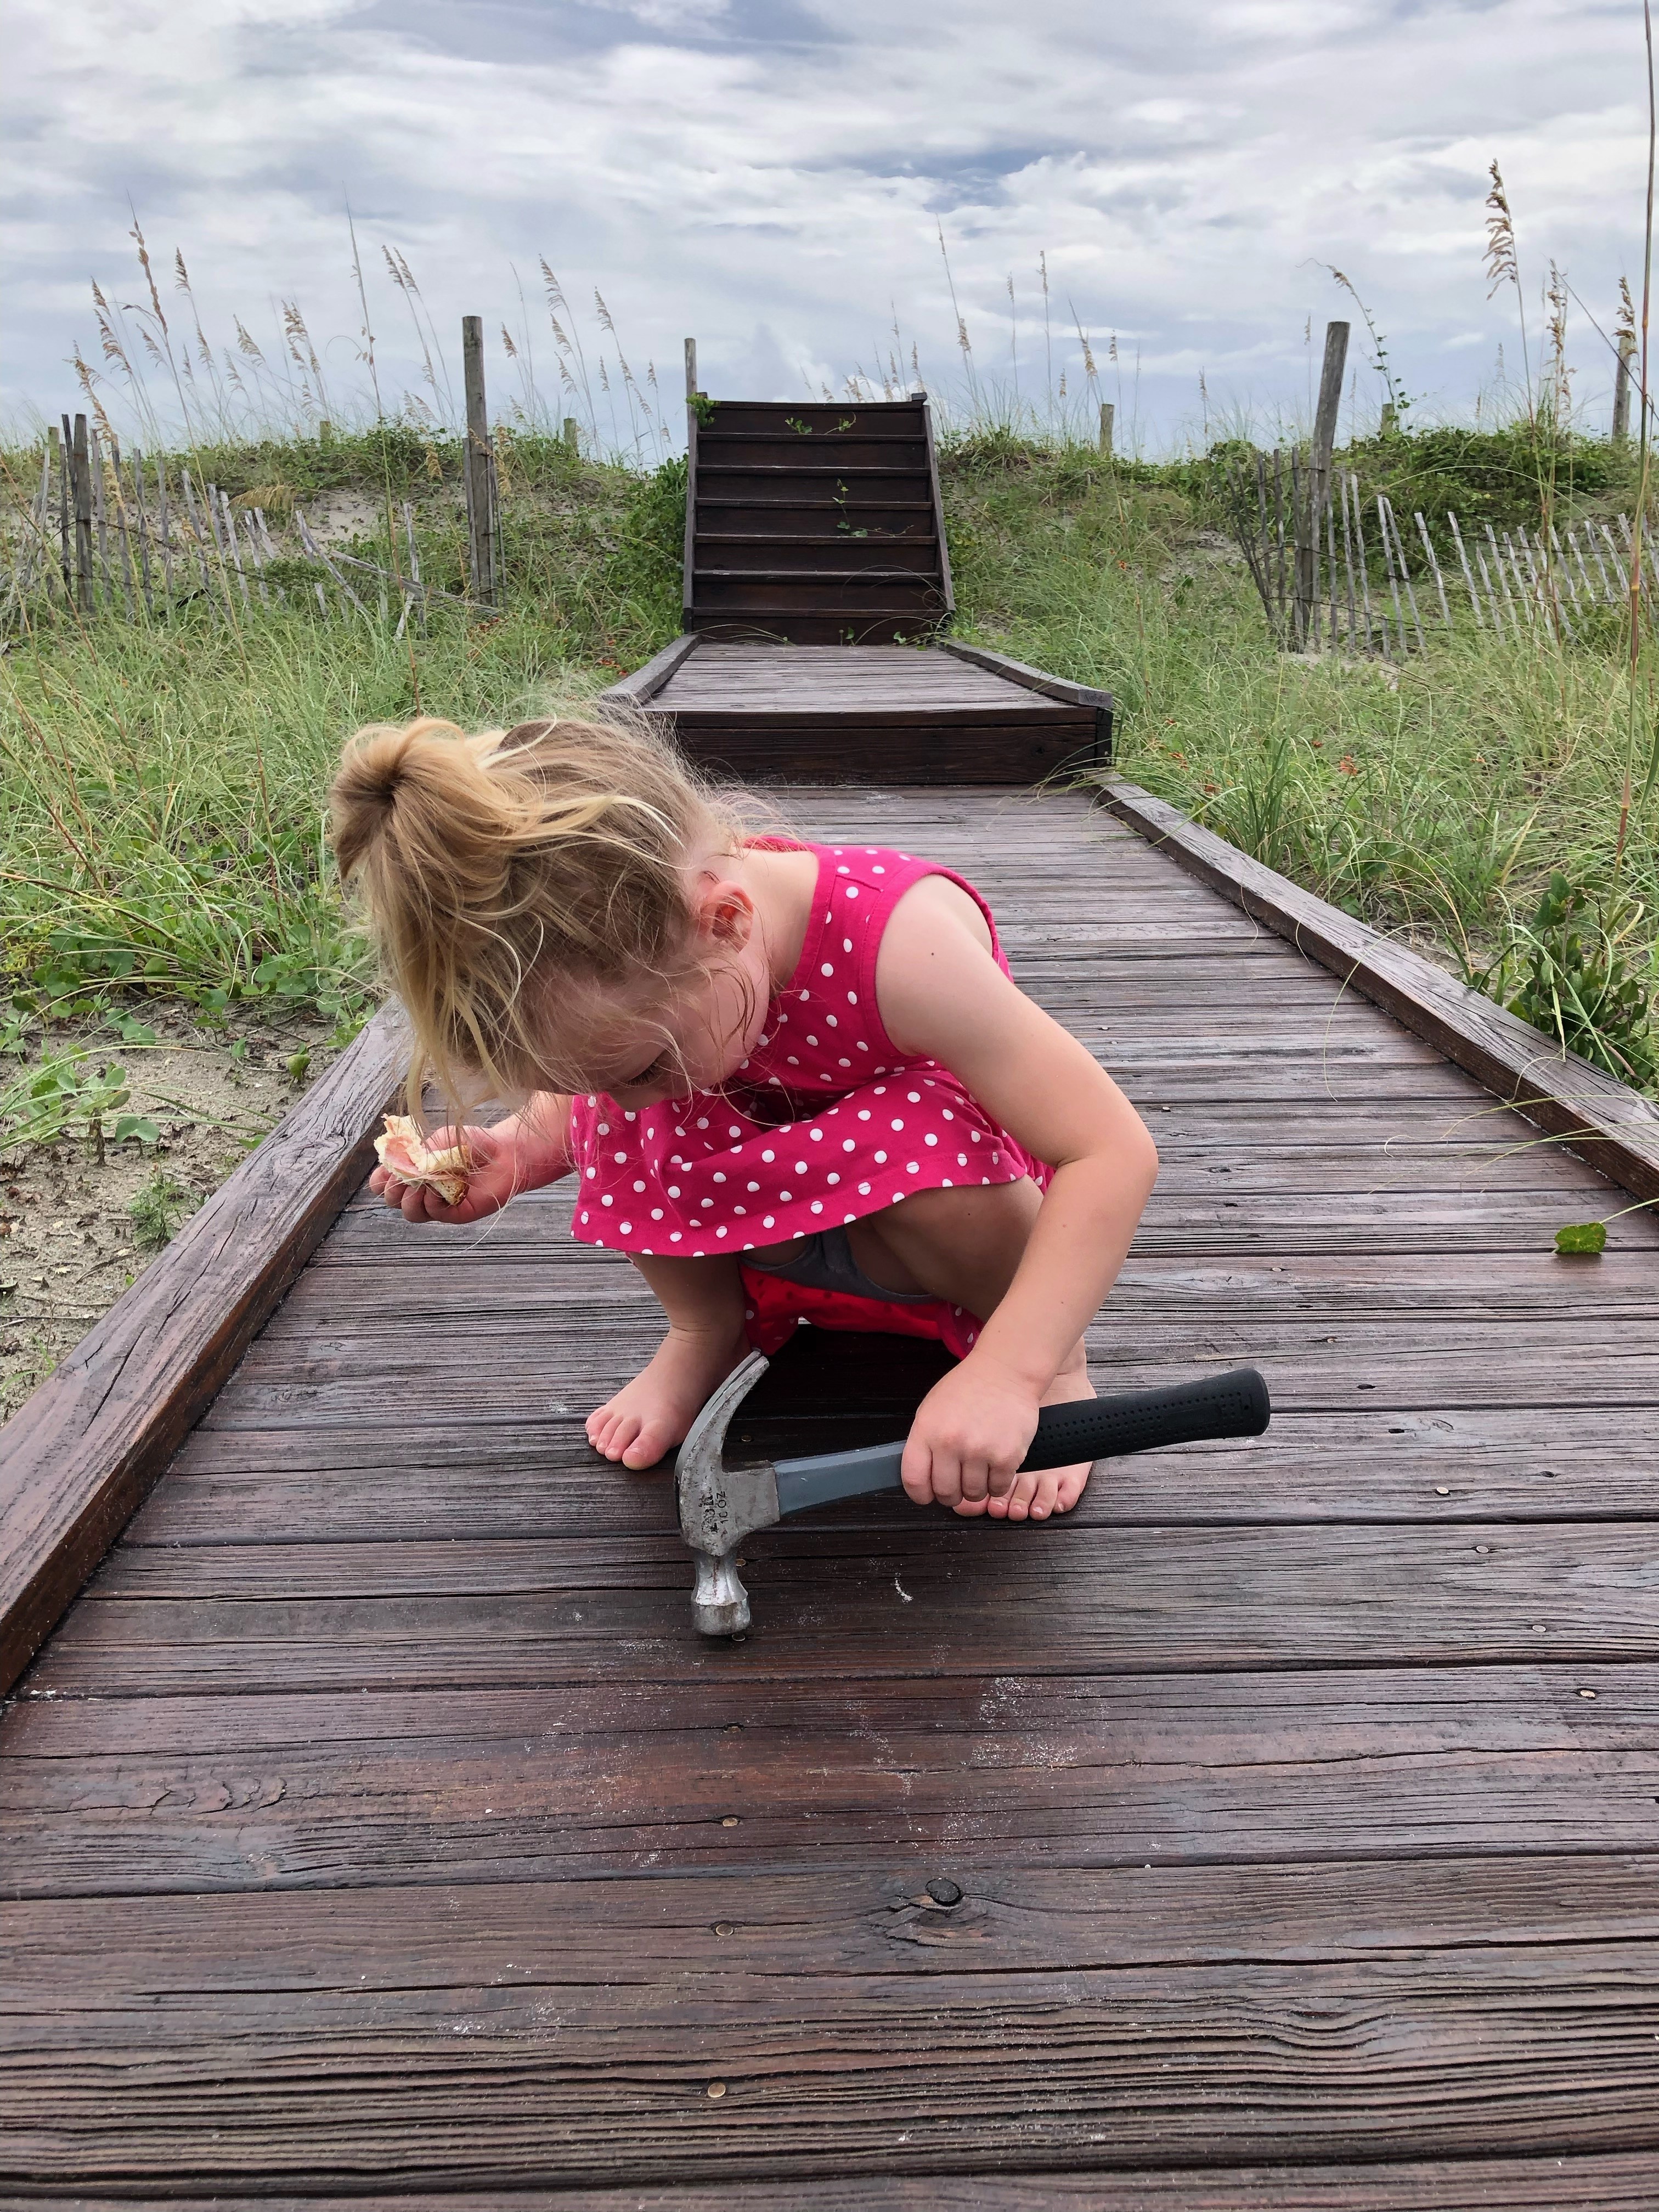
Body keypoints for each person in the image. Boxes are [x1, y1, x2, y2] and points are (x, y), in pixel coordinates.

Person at [334, 710, 1158, 1522]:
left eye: (635, 1067)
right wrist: (520, 1150)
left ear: (724, 921)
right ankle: (708, 1327)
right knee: (636, 1105)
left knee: (910, 1121)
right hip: (782, 1225)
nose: (620, 1101)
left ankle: (1056, 1371)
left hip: (949, 1229)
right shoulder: (680, 982)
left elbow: (1110, 1151)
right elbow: (610, 1083)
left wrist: (1016, 1372)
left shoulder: (906, 948)